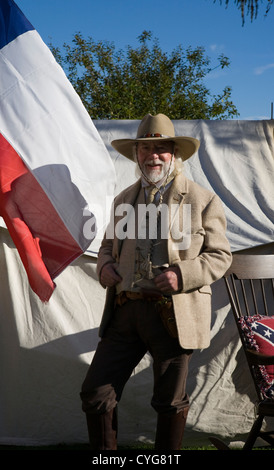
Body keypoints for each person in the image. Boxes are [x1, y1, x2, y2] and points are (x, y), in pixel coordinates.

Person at [80, 113, 232, 450]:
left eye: (161, 147)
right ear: (136, 155)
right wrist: (104, 266)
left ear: (174, 153)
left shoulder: (202, 199)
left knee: (169, 401)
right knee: (96, 393)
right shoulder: (123, 200)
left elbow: (221, 256)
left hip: (173, 315)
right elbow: (106, 246)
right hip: (124, 312)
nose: (154, 155)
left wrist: (181, 275)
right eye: (146, 148)